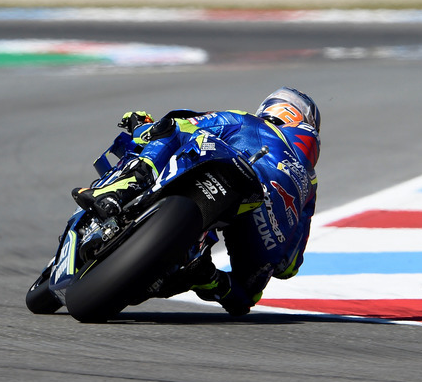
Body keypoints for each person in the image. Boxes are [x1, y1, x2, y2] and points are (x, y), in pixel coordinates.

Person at [71, 87, 320, 317]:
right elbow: (289, 267)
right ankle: (208, 277)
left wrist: (141, 126)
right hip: (268, 226)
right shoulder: (310, 184)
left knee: (170, 129)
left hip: (231, 169)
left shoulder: (247, 121)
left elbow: (183, 124)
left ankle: (117, 192)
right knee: (246, 295)